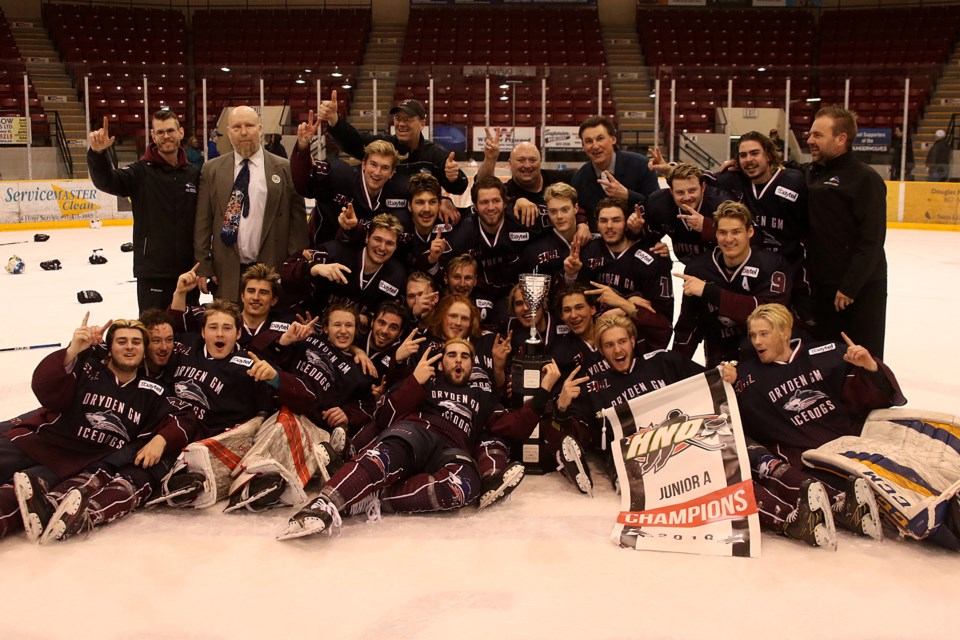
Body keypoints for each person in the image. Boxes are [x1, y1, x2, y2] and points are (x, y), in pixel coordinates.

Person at [277, 338, 561, 540]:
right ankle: (323, 505)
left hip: (454, 447)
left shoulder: (482, 397)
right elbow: (384, 417)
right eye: (452, 355)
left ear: (473, 366)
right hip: (418, 431)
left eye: (464, 356)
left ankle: (371, 497)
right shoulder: (427, 382)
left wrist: (544, 391)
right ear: (442, 361)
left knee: (462, 487)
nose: (458, 360)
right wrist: (414, 381)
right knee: (386, 454)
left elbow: (512, 427)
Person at [0, 315, 193, 540]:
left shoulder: (151, 391)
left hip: (72, 464)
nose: (129, 347)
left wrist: (161, 440)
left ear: (144, 350)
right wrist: (73, 350)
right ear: (109, 348)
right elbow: (45, 387)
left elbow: (185, 416)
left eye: (136, 342)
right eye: (122, 341)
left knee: (14, 498)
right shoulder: (88, 368)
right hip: (38, 442)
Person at [87, 111, 200, 313]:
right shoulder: (140, 172)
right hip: (152, 271)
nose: (166, 136)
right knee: (153, 332)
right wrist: (97, 154)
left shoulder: (194, 174)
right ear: (153, 136)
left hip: (188, 271)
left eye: (171, 130)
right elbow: (107, 181)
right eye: (161, 132)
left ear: (181, 132)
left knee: (187, 330)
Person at [193, 105, 307, 303]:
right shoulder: (212, 170)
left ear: (260, 128)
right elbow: (203, 222)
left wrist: (293, 265)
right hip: (226, 269)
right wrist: (204, 265)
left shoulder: (284, 168)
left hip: (271, 267)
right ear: (228, 132)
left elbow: (297, 223)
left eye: (249, 125)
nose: (243, 132)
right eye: (236, 127)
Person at [805, 106, 887, 357]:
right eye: (810, 134)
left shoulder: (865, 179)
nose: (809, 140)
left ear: (841, 139)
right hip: (822, 287)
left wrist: (850, 287)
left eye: (818, 135)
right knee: (825, 360)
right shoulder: (814, 172)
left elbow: (871, 241)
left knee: (862, 360)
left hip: (857, 291)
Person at [707, 132, 811, 323]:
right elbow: (699, 179)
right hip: (758, 273)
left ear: (768, 155)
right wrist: (668, 168)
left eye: (755, 153)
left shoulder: (794, 182)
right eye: (743, 155)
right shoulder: (735, 180)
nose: (749, 160)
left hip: (795, 273)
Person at [673, 201, 791, 367]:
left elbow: (768, 313)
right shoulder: (697, 269)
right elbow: (688, 326)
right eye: (722, 232)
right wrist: (675, 367)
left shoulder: (773, 265)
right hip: (718, 357)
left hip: (763, 359)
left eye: (736, 232)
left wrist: (709, 291)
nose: (728, 239)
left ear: (750, 232)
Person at [317, 93, 468, 222]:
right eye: (398, 118)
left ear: (422, 124)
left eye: (408, 119)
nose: (401, 123)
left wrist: (452, 178)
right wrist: (334, 120)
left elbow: (460, 187)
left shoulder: (435, 154)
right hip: (382, 221)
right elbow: (354, 141)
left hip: (420, 223)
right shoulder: (383, 146)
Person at [291, 134, 405, 247]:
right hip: (324, 252)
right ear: (364, 164)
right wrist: (302, 146)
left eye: (385, 168)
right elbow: (303, 185)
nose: (377, 172)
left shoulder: (399, 193)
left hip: (367, 257)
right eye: (373, 165)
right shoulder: (337, 175)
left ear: (392, 173)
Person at [570, 115, 660, 223]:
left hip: (640, 237)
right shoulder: (579, 179)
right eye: (589, 141)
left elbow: (657, 207)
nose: (595, 146)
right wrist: (582, 224)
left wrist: (628, 195)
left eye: (600, 139)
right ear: (583, 146)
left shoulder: (642, 166)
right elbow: (580, 213)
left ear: (613, 139)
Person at [632, 162, 728, 264]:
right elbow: (635, 239)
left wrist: (707, 227)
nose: (687, 197)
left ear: (703, 187)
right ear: (671, 191)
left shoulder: (723, 204)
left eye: (692, 191)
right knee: (654, 256)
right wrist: (635, 229)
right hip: (689, 267)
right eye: (680, 192)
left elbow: (743, 238)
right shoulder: (658, 203)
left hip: (723, 268)